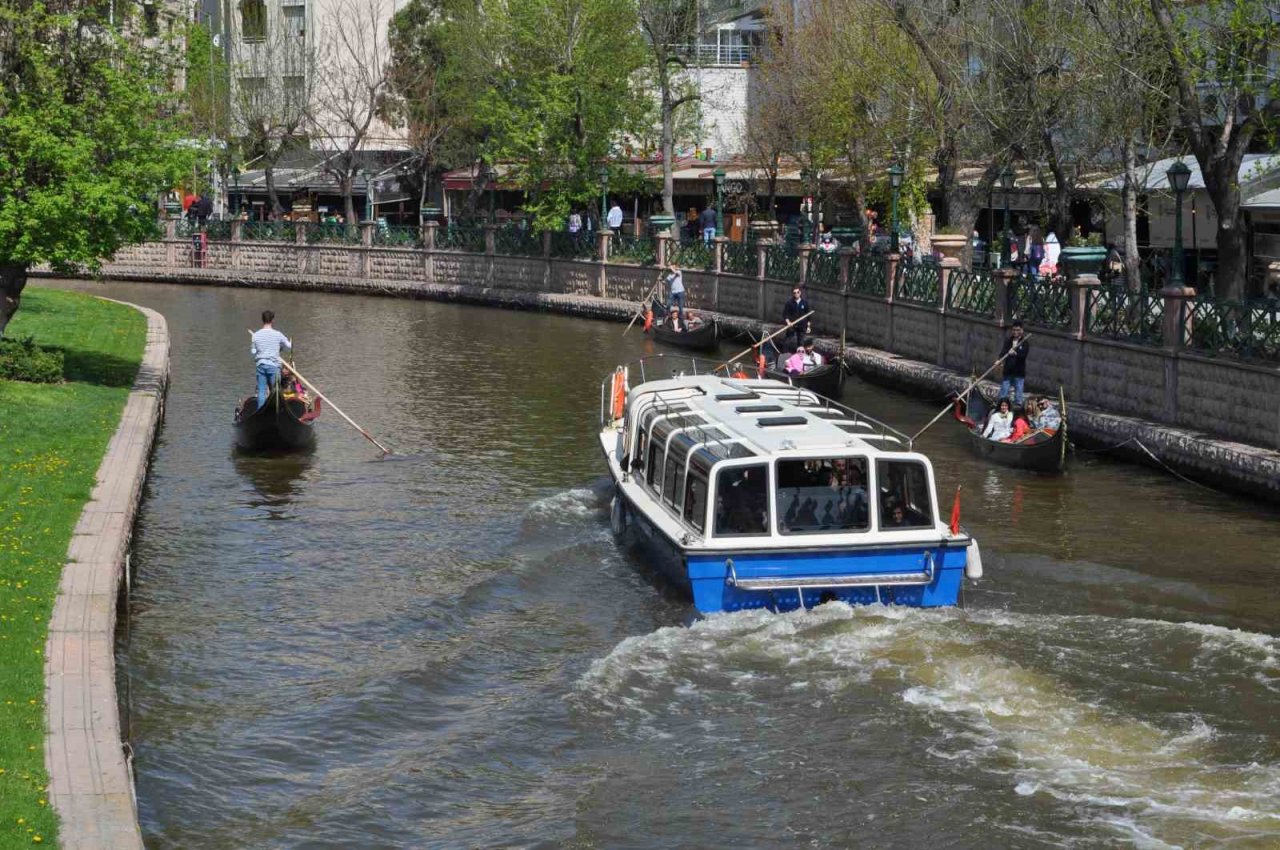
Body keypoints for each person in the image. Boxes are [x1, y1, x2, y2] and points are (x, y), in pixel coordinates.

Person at [250, 310, 292, 408]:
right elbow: (289, 346)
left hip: (261, 365)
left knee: (261, 390)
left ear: (262, 320)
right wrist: (282, 346)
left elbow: (253, 352)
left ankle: (260, 412)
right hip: (274, 366)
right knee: (276, 391)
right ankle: (276, 409)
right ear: (272, 320)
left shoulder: (255, 335)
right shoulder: (278, 334)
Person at [997, 321, 1029, 405]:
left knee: (1018, 396)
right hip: (1008, 371)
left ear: (1022, 330)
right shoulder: (1008, 341)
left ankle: (1017, 410)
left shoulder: (1025, 342)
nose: (1015, 332)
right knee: (1003, 393)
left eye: (1018, 330)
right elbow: (1003, 352)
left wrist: (1015, 353)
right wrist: (999, 360)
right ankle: (1000, 407)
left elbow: (1023, 355)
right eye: (1014, 330)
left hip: (1019, 372)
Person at [781, 286, 811, 354]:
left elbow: (808, 316)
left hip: (802, 326)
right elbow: (785, 315)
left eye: (798, 292)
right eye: (794, 293)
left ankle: (799, 356)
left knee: (800, 342)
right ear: (793, 294)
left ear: (800, 293)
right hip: (792, 325)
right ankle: (785, 355)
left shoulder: (804, 303)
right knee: (788, 342)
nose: (796, 294)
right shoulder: (789, 303)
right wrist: (788, 322)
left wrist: (808, 326)